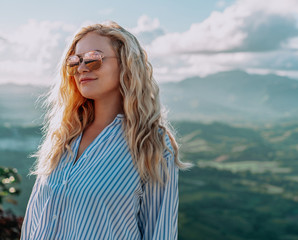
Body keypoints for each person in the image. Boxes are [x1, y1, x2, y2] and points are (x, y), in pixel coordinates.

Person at [20, 21, 191, 240]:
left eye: (93, 58)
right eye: (74, 62)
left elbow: (160, 233)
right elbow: (34, 222)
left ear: (127, 64)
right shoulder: (62, 137)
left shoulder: (151, 144)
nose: (81, 68)